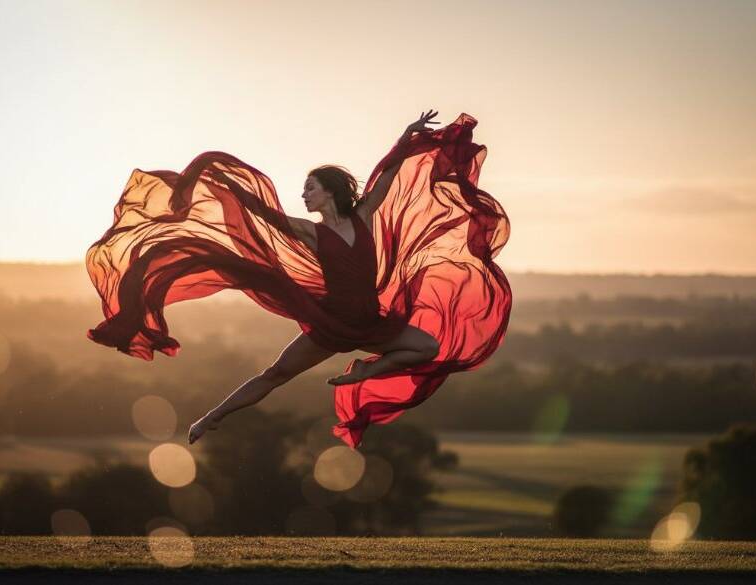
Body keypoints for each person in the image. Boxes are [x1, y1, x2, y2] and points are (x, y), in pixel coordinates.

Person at [86, 110, 512, 449]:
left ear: (329, 191)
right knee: (274, 376)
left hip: (370, 323)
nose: (304, 195)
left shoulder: (362, 217)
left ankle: (364, 372)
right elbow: (262, 214)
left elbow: (390, 176)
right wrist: (217, 182)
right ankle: (209, 418)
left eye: (310, 188)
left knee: (429, 348)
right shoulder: (312, 231)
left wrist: (406, 137)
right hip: (330, 324)